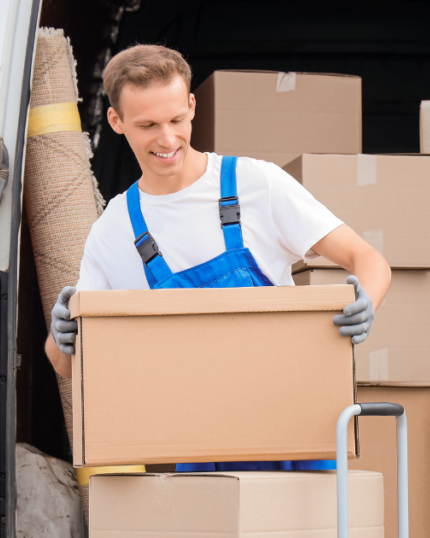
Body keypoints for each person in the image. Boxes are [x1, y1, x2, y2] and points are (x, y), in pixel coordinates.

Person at [43, 45, 391, 471]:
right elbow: (67, 366)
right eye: (148, 125)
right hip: (201, 452)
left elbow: (367, 258)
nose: (167, 139)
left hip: (297, 431)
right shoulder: (114, 230)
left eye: (176, 120)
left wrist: (366, 302)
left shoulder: (254, 184)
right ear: (116, 121)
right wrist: (62, 336)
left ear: (192, 106)